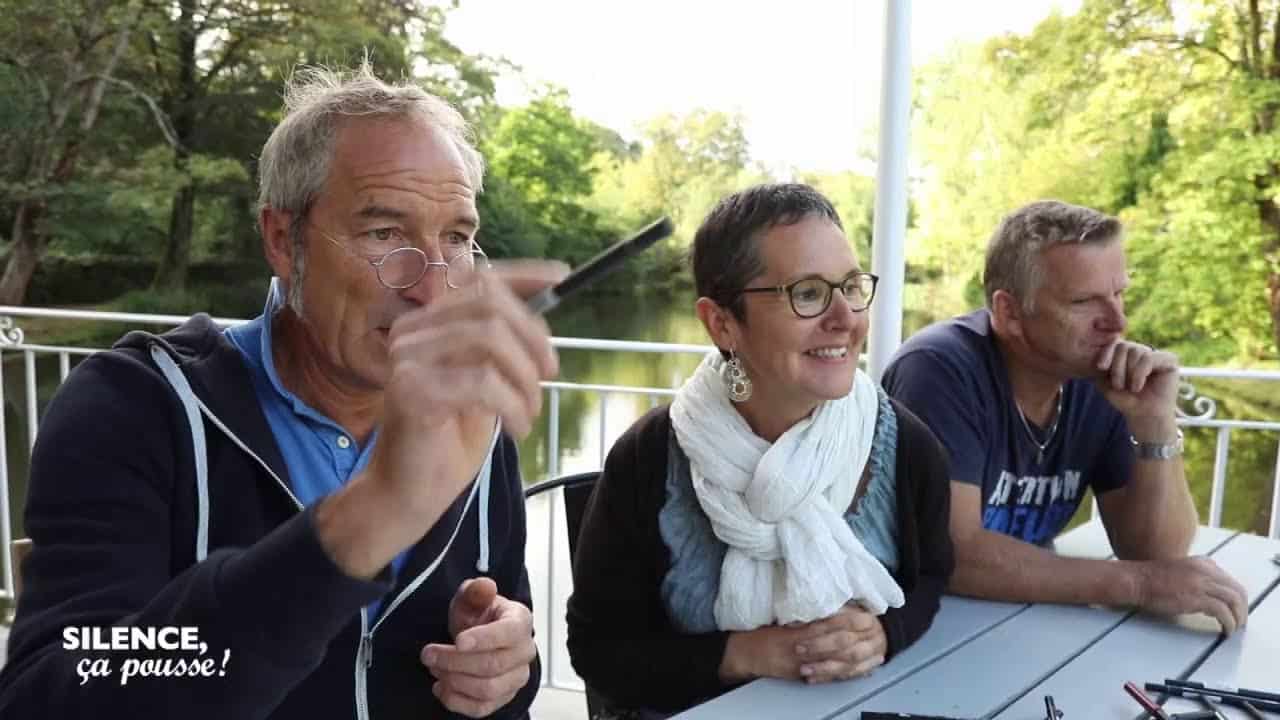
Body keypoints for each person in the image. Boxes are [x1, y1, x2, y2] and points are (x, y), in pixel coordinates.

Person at [0, 61, 564, 719]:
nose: (433, 288)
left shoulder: (470, 412)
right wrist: (367, 519)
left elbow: (506, 666)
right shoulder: (133, 407)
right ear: (281, 240)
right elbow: (55, 695)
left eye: (458, 239)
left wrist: (504, 665)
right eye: (385, 234)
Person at [566, 183, 954, 717]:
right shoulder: (650, 458)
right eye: (808, 293)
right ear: (721, 323)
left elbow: (931, 580)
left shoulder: (908, 446)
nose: (845, 317)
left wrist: (886, 633)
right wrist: (742, 654)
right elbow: (598, 650)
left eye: (850, 286)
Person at [882, 199, 1249, 631]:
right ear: (1009, 314)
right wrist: (1136, 585)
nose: (1117, 322)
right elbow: (953, 554)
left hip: (1019, 622)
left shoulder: (1095, 375)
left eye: (1119, 293)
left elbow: (1157, 555)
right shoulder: (938, 369)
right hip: (907, 629)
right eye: (1084, 302)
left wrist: (1155, 425)